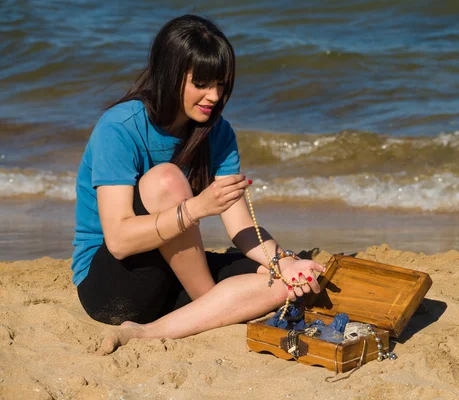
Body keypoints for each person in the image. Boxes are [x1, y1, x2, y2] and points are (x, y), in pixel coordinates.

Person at [71, 14, 324, 354]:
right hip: (113, 285)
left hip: (174, 274)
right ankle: (210, 303)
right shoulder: (119, 127)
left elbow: (241, 225)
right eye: (202, 84)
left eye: (220, 85)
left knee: (282, 285)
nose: (214, 96)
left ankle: (148, 331)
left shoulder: (217, 132)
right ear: (169, 73)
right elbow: (118, 241)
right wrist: (197, 208)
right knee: (166, 179)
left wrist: (283, 263)